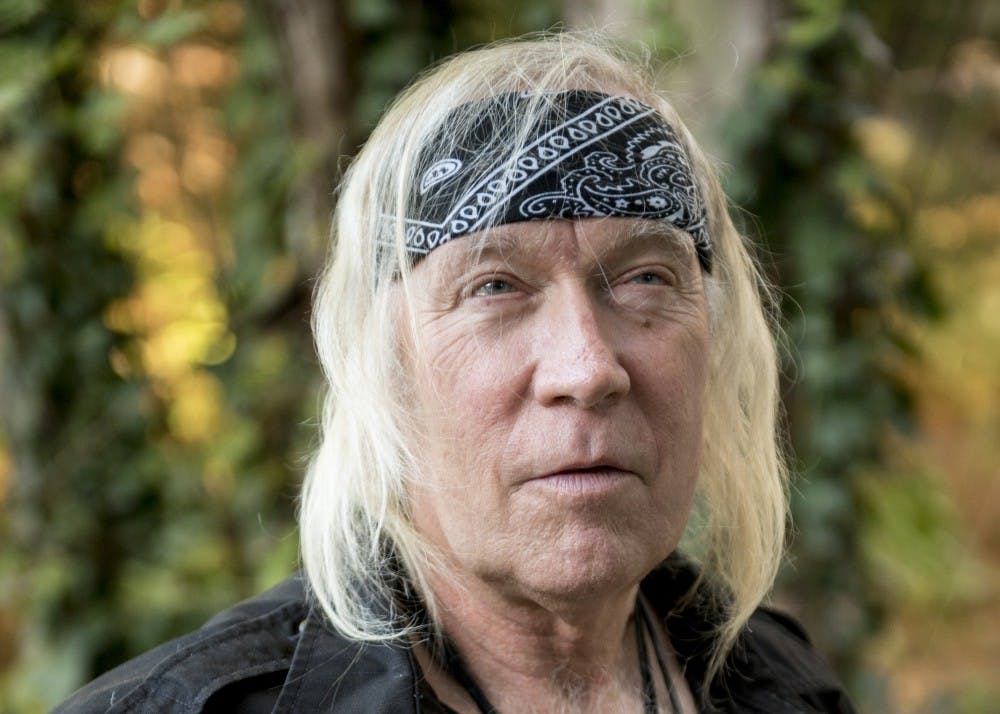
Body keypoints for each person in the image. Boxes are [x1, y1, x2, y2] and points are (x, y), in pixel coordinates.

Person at [57, 35, 856, 713]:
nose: (587, 368)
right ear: (387, 370)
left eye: (647, 278)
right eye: (494, 288)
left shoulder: (785, 686)